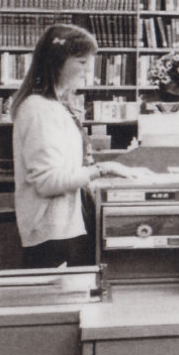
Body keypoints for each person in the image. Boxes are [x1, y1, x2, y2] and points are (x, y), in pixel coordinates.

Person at [9, 23, 139, 268]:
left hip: (64, 229)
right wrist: (102, 169)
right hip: (53, 235)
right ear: (57, 62)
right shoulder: (38, 109)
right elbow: (48, 183)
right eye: (81, 61)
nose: (88, 69)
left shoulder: (54, 106)